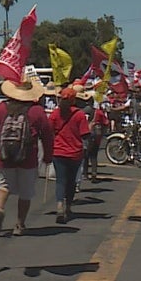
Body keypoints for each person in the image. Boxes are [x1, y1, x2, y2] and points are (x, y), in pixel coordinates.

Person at [0, 80, 54, 236]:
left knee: (3, 185)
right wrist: (48, 156)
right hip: (28, 158)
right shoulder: (36, 111)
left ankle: (0, 209)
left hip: (5, 156)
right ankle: (19, 224)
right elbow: (47, 135)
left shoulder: (2, 108)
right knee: (25, 192)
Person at [48, 86, 91, 224]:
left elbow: (49, 131)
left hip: (58, 152)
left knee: (60, 180)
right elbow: (85, 134)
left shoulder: (55, 114)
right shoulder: (79, 115)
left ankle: (59, 205)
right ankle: (68, 207)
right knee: (71, 182)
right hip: (75, 153)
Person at [83, 95, 111, 183]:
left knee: (85, 156)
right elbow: (106, 123)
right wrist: (103, 132)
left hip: (85, 134)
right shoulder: (98, 112)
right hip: (95, 135)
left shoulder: (81, 111)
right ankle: (94, 174)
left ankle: (85, 174)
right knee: (93, 155)